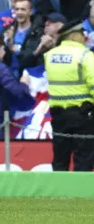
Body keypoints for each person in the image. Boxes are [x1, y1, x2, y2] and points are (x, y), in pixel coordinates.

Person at [44, 20, 94, 171]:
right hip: (83, 115)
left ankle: (59, 193)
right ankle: (80, 193)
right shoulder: (86, 55)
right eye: (82, 34)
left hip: (58, 115)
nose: (84, 37)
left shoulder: (49, 55)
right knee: (83, 158)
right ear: (72, 36)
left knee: (60, 157)